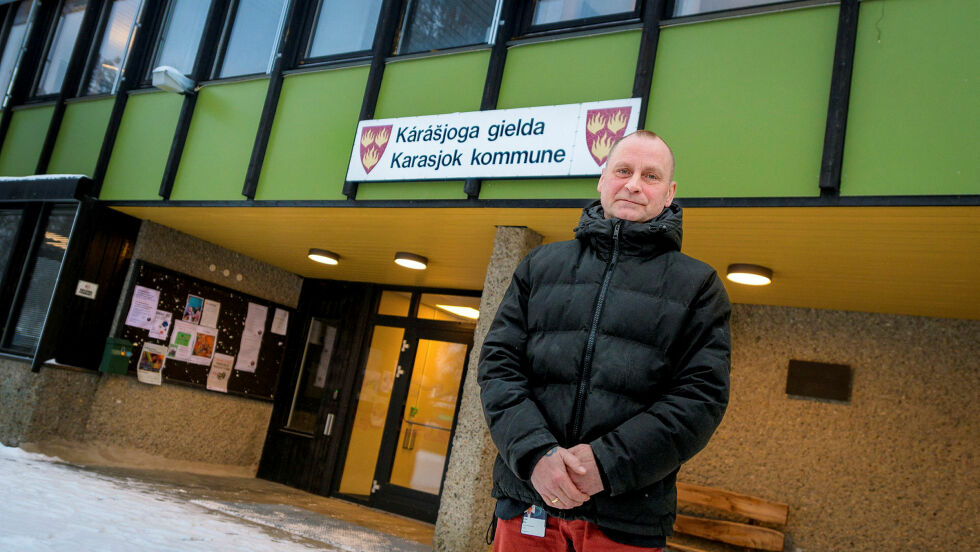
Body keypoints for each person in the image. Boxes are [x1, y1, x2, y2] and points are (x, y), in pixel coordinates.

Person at [479, 130, 731, 551]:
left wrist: (606, 464)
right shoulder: (540, 266)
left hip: (625, 520)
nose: (633, 184)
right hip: (527, 506)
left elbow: (700, 400)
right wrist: (535, 454)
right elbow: (498, 367)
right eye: (623, 170)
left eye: (650, 176)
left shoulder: (699, 286)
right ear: (602, 180)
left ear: (669, 194)